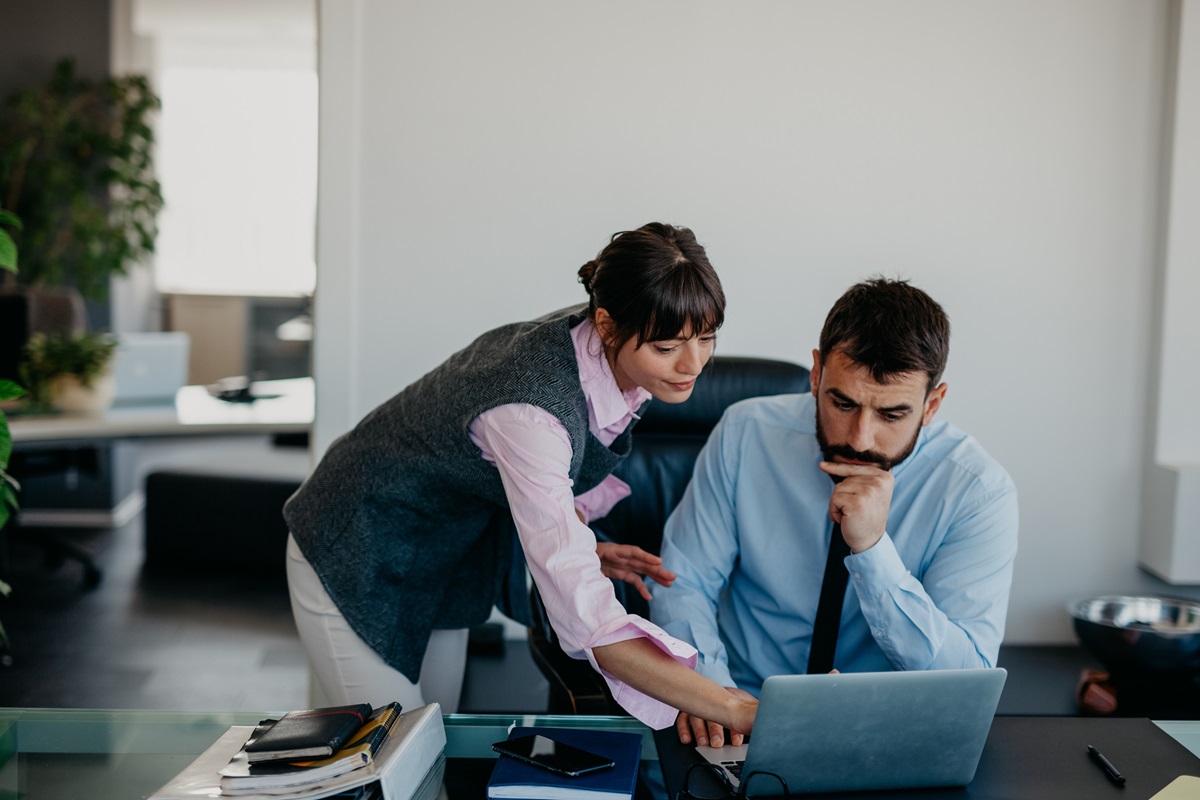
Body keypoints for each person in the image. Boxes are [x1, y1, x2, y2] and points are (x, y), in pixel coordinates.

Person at [283, 222, 757, 734]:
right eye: (667, 348)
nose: (694, 364)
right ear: (606, 323)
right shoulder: (532, 408)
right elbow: (587, 619)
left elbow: (546, 478)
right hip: (358, 539)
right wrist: (729, 707)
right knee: (395, 754)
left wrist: (580, 541)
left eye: (707, 338)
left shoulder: (612, 343)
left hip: (449, 550)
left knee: (432, 742)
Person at [650, 277, 1018, 747]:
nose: (860, 438)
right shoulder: (745, 434)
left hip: (884, 733)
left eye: (891, 415)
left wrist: (873, 552)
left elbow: (964, 681)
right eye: (842, 402)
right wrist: (713, 693)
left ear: (933, 405)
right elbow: (683, 582)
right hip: (738, 712)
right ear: (816, 373)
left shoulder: (977, 492)